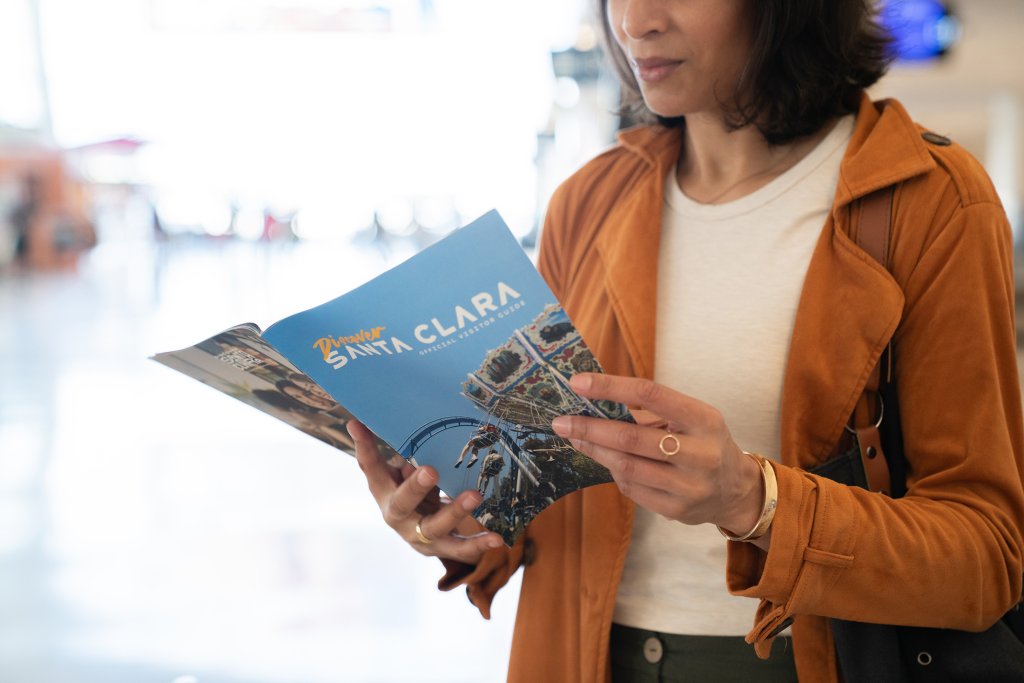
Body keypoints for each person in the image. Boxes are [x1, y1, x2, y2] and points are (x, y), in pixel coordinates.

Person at [348, 1, 1024, 680]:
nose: (634, 21)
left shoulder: (930, 201)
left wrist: (753, 501)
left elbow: (986, 554)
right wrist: (454, 521)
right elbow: (544, 511)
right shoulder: (589, 201)